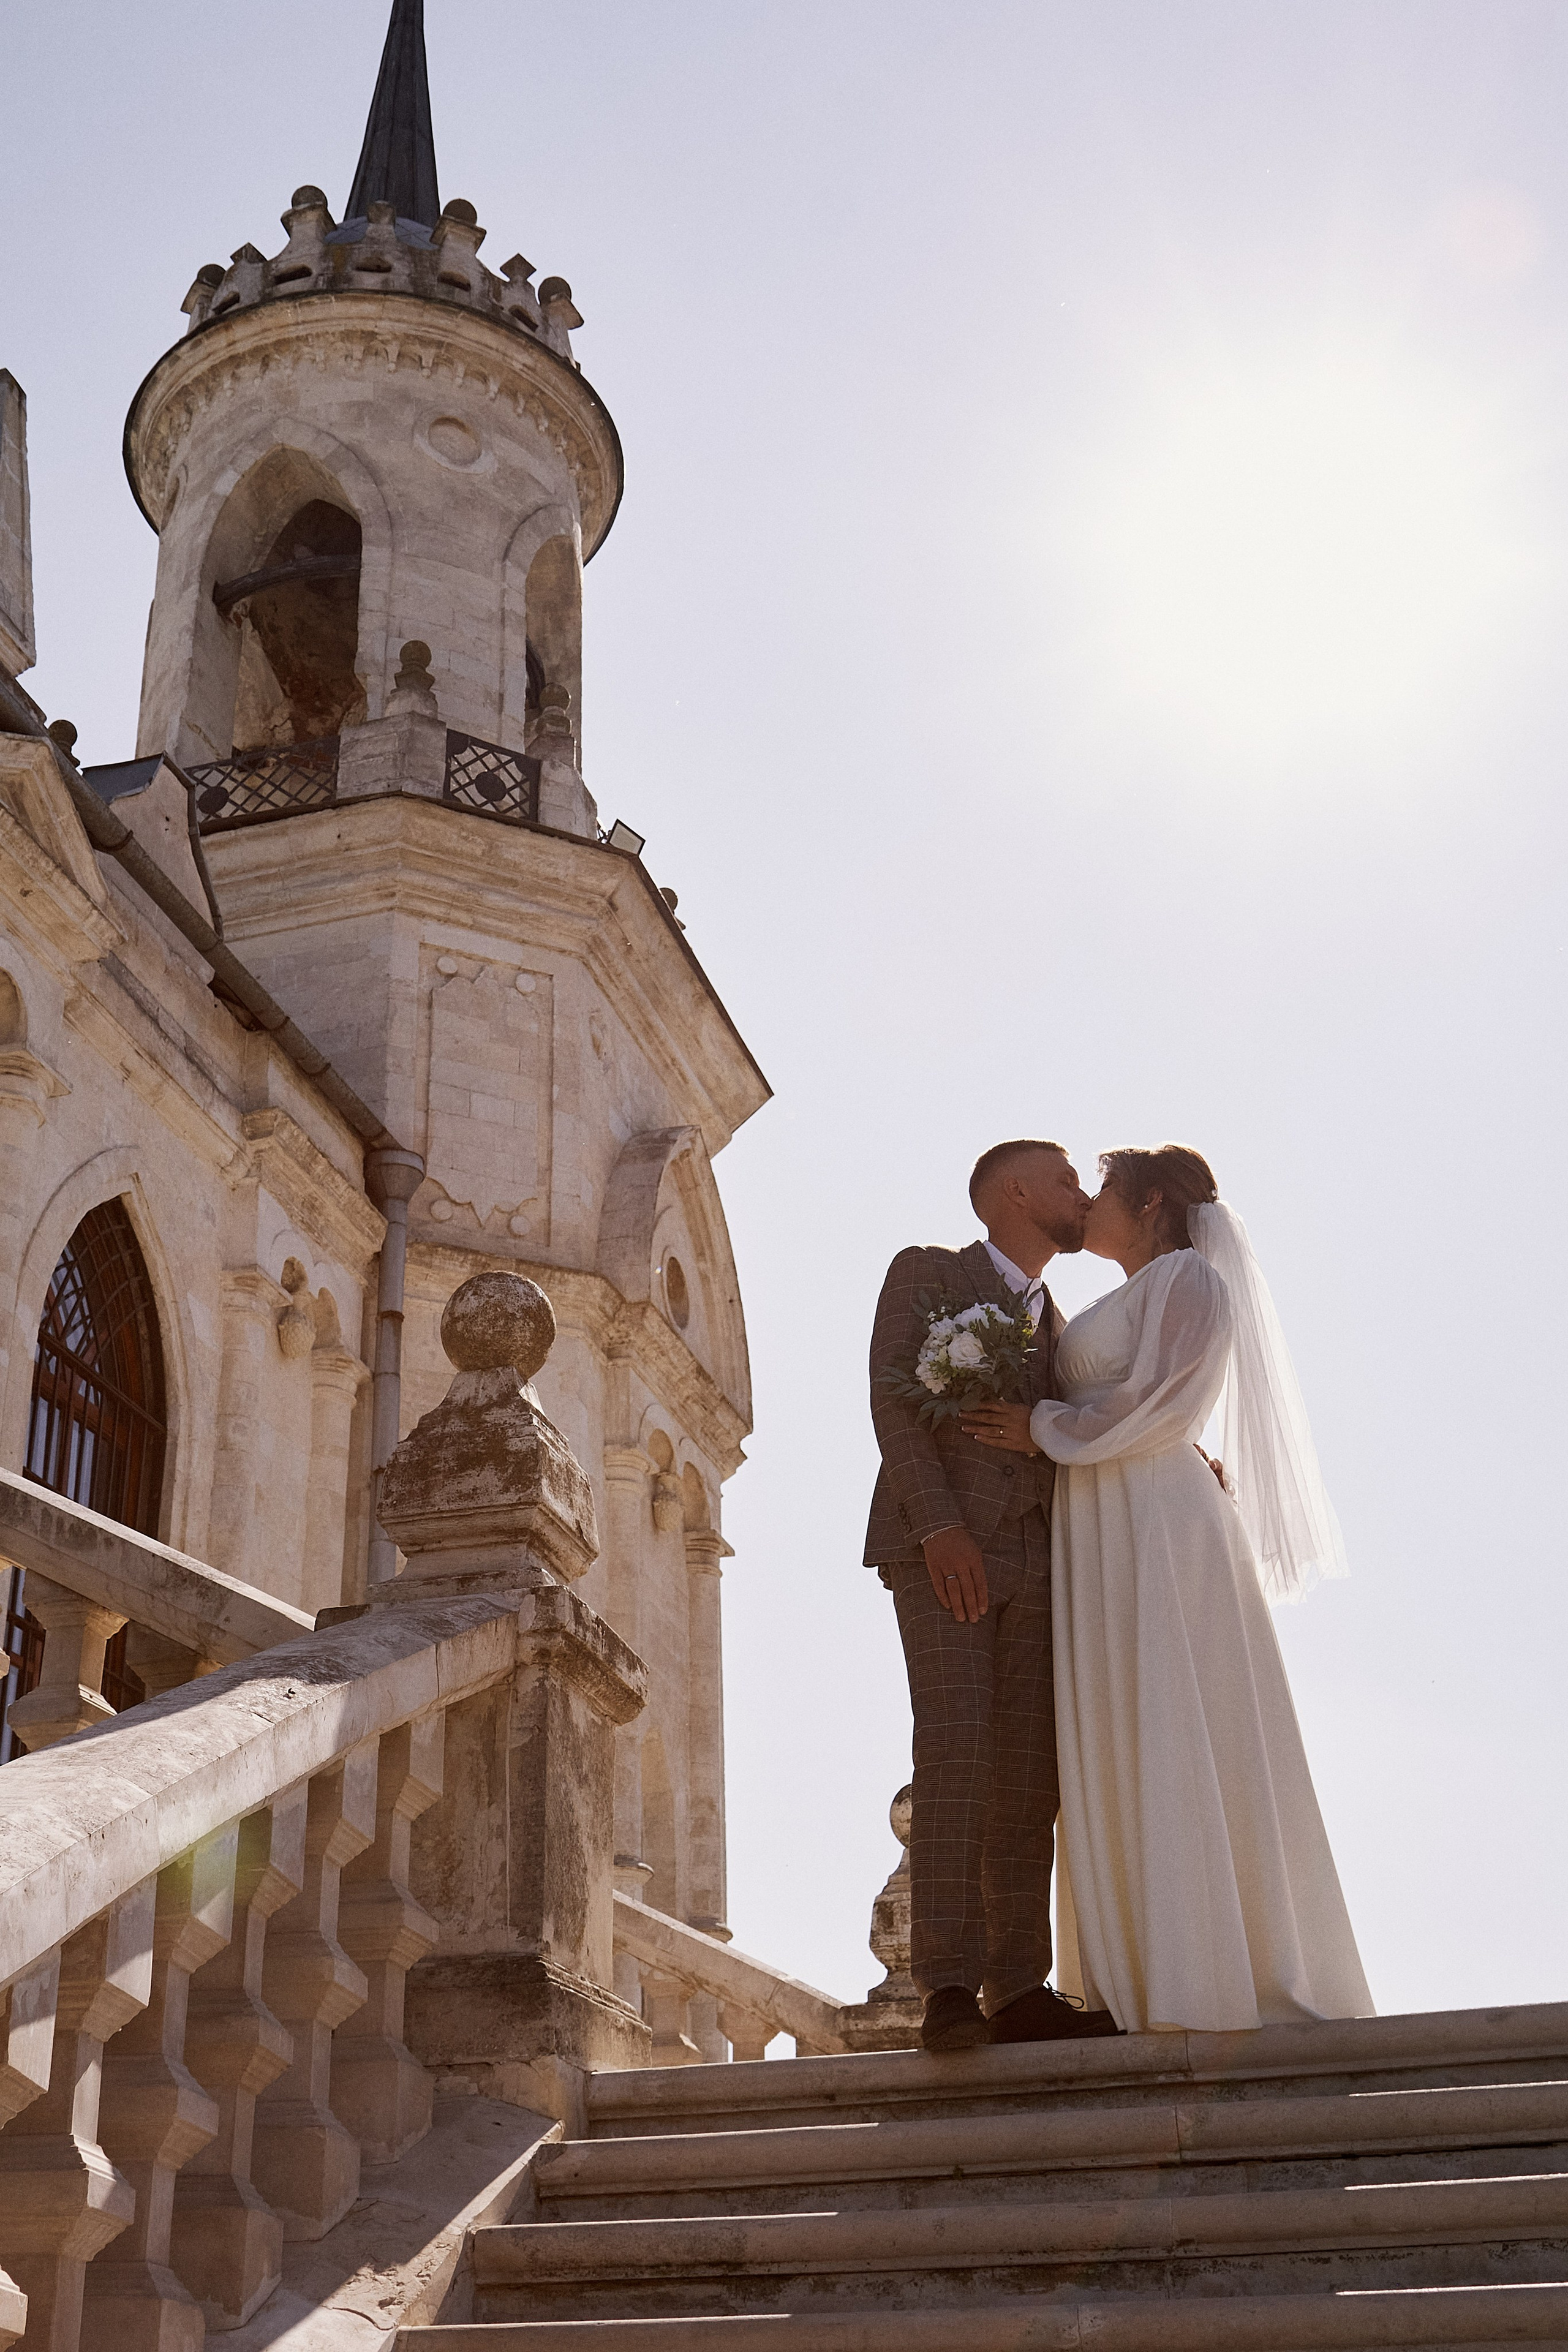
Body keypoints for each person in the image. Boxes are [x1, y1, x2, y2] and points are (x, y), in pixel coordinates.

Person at [963, 1145, 1373, 2035]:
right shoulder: (1114, 1299)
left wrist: (1040, 1427)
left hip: (1156, 1523)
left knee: (1173, 1718)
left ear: (1147, 1203)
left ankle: (1214, 1971)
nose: (1089, 1201)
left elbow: (1165, 1403)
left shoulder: (1192, 1277)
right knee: (1119, 1726)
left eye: (1101, 1186)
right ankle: (1144, 1967)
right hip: (1102, 1519)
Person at [865, 1139, 1120, 2051]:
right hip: (942, 1550)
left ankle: (1019, 1987)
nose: (1082, 1196)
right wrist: (939, 1528)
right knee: (958, 1746)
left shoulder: (1066, 1324)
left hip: (1043, 1560)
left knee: (1029, 1774)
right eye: (1064, 1179)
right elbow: (894, 1406)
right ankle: (944, 1986)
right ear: (1014, 1191)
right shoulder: (930, 1273)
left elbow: (1090, 1426)